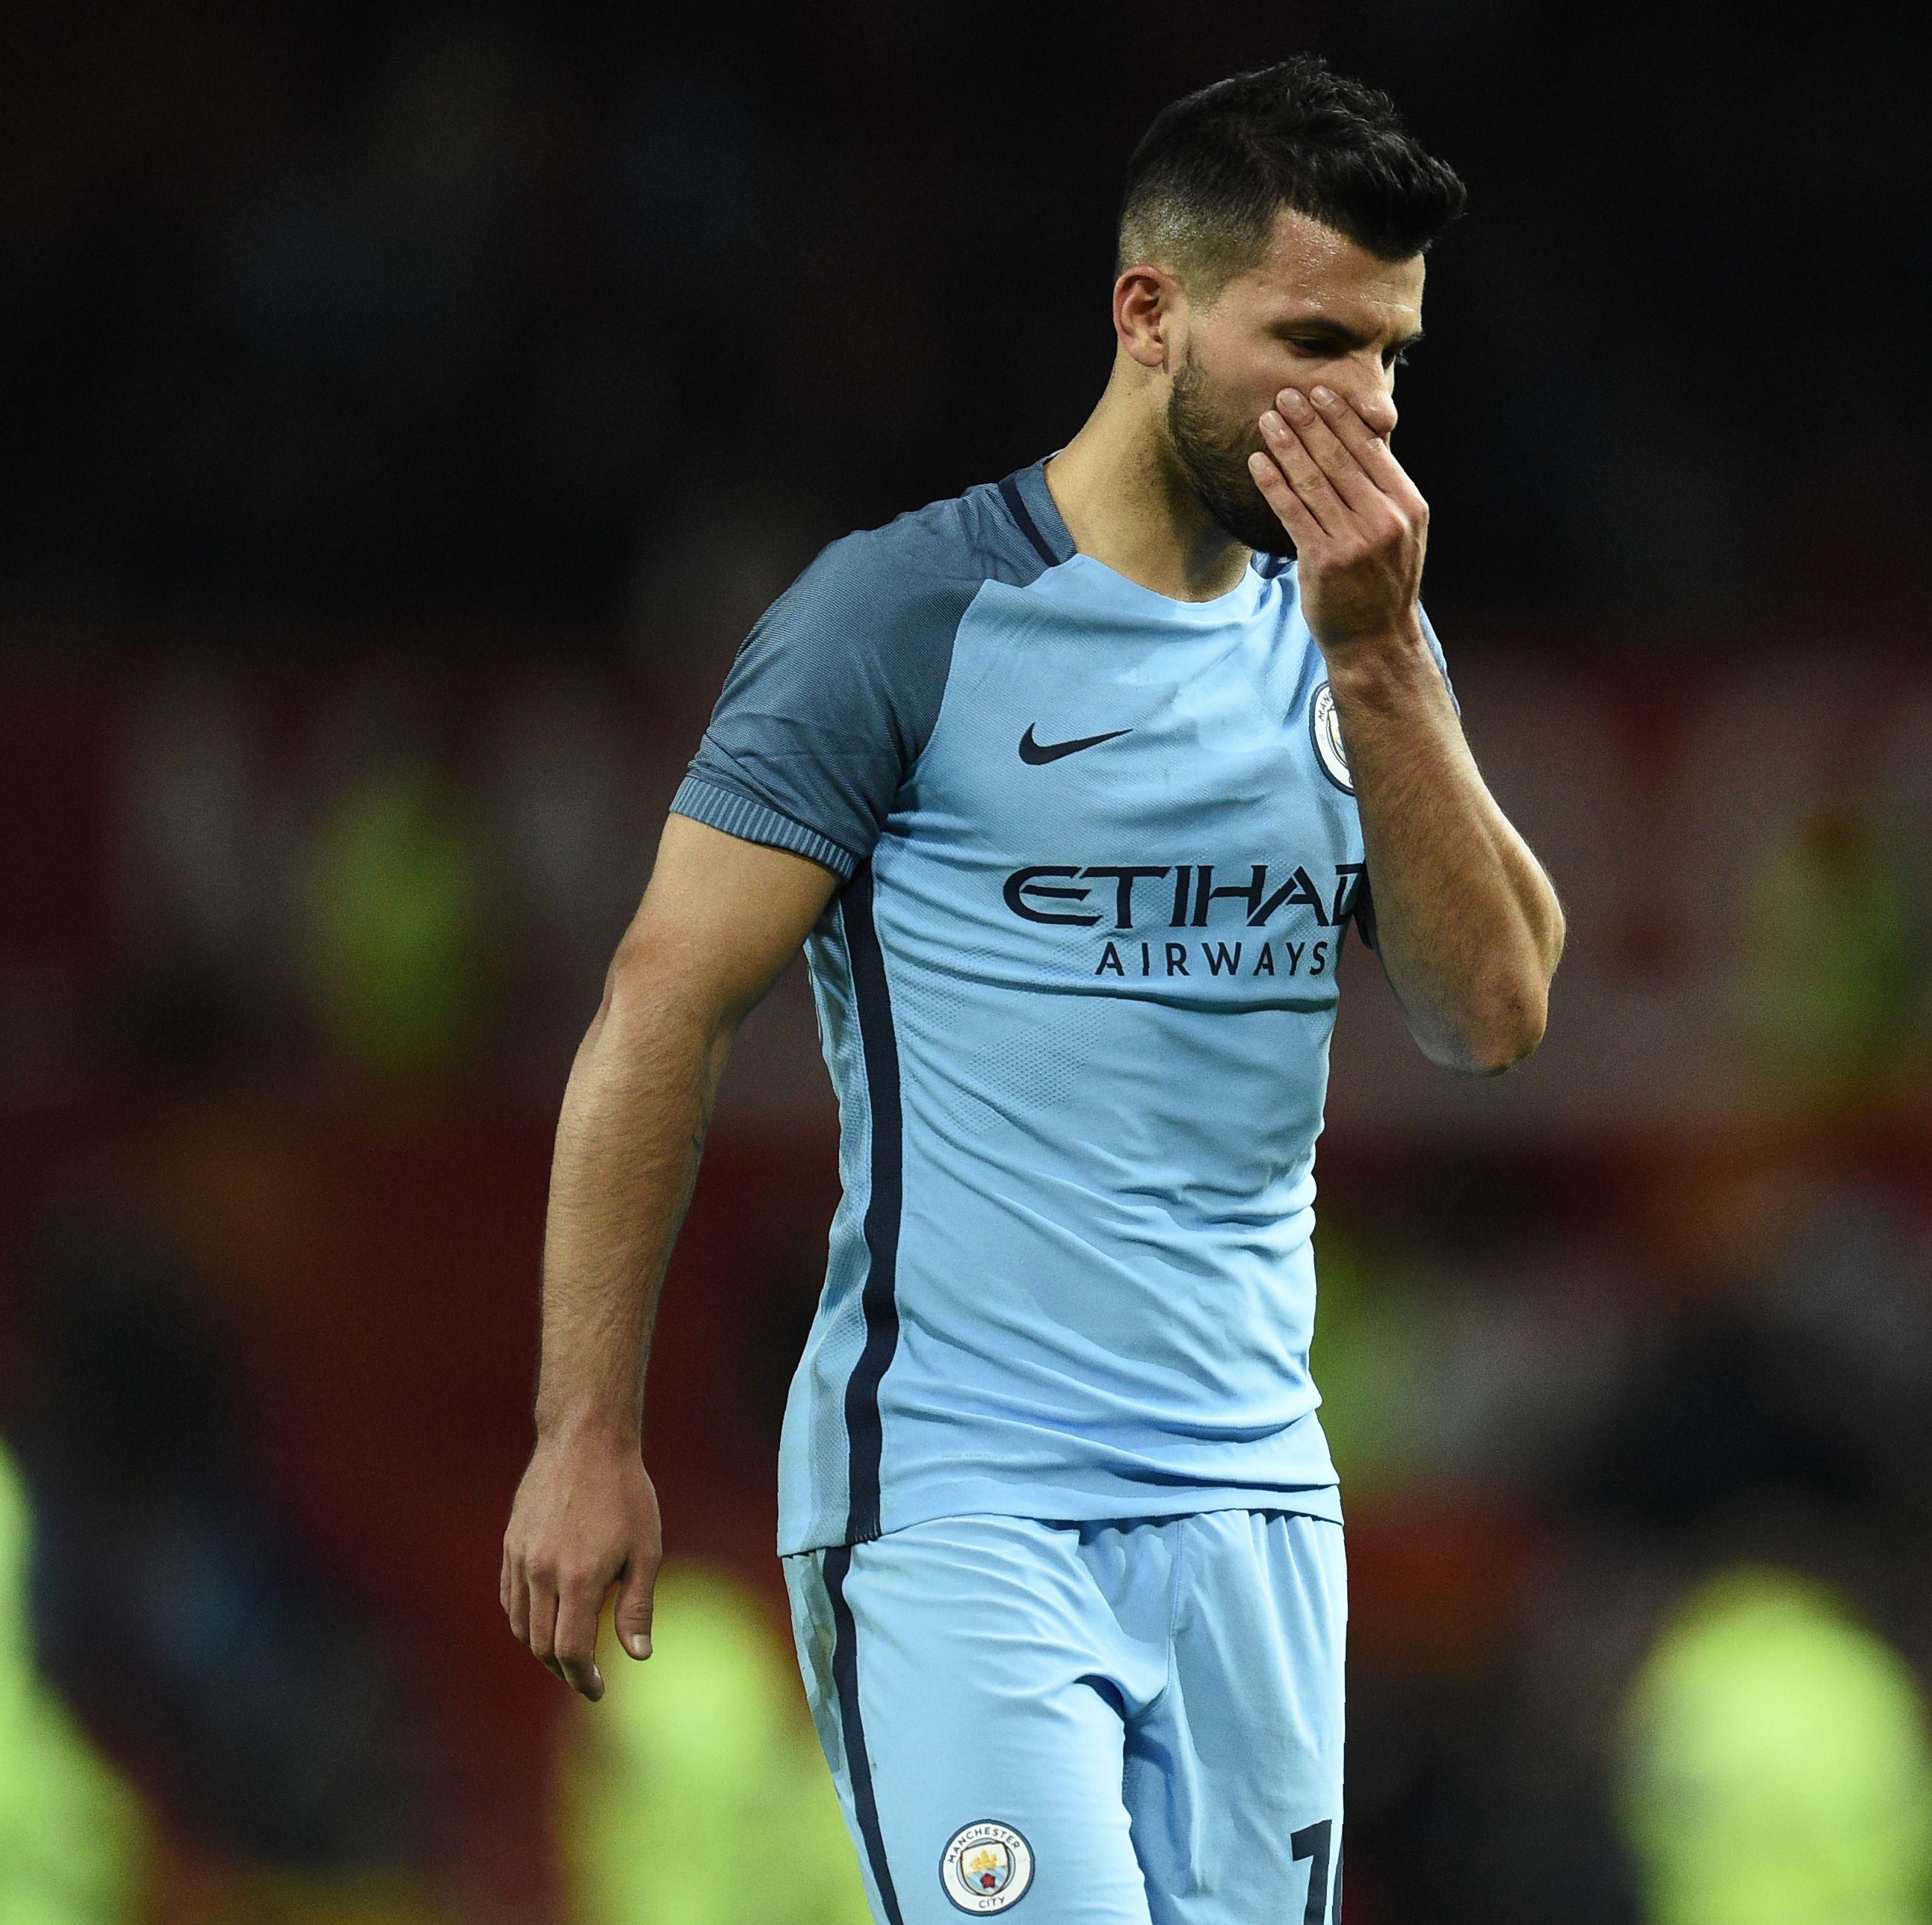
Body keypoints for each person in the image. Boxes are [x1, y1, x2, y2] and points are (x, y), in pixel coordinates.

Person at [497, 52, 1561, 1925]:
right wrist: (587, 1433)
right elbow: (661, 1004)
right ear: (1149, 314)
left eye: (1394, 354)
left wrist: (1386, 669)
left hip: (1254, 1503)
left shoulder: (1355, 639)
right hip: (960, 1496)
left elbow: (1492, 1015)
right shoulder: (898, 620)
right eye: (1314, 335)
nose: (1366, 406)